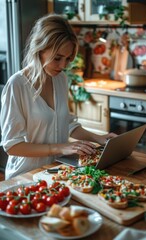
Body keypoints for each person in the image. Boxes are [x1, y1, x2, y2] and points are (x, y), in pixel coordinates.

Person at [0, 14, 116, 180]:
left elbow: (66, 124)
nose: (63, 66)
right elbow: (12, 146)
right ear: (40, 50)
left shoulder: (60, 78)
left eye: (68, 59)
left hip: (56, 171)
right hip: (25, 175)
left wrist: (100, 139)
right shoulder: (17, 85)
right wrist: (61, 148)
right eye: (57, 58)